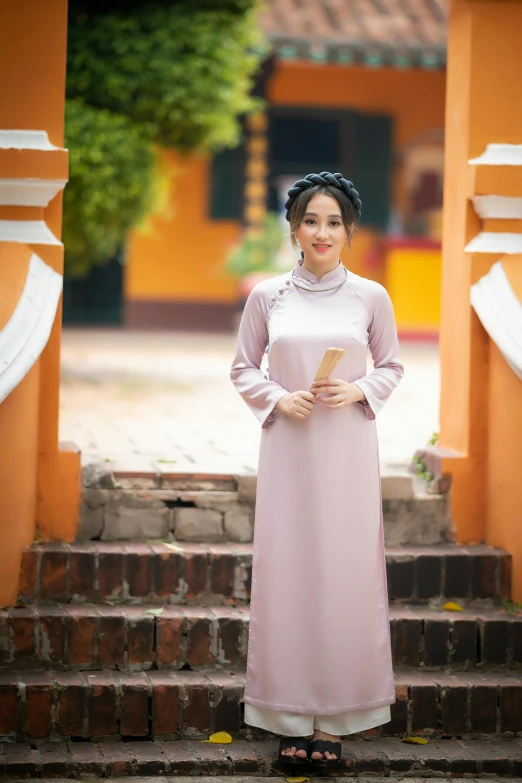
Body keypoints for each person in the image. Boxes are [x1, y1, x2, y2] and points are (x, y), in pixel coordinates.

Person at [229, 172, 404, 770]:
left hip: (347, 445)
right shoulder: (267, 297)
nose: (322, 232)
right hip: (290, 447)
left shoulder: (371, 297)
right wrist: (279, 398)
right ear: (294, 228)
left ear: (350, 231)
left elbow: (392, 368)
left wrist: (355, 388)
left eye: (334, 222)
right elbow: (243, 368)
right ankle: (286, 713)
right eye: (311, 220)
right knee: (290, 570)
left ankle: (336, 717)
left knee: (344, 570)